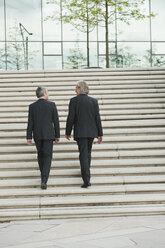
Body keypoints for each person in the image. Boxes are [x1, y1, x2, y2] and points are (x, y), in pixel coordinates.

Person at [65, 81, 103, 188]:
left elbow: (71, 118)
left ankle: (86, 179)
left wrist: (68, 132)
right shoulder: (93, 101)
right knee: (88, 153)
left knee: (83, 154)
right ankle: (87, 173)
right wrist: (100, 133)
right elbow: (97, 119)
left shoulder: (74, 101)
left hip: (80, 132)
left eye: (76, 88)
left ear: (79, 88)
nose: (75, 90)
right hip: (91, 132)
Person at [26, 86, 60, 190]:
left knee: (40, 155)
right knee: (48, 156)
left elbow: (30, 123)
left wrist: (29, 137)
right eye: (48, 92)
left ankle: (43, 176)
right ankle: (44, 179)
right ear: (44, 93)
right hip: (49, 135)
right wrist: (57, 135)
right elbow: (56, 122)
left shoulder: (32, 106)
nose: (48, 94)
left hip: (37, 135)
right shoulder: (52, 105)